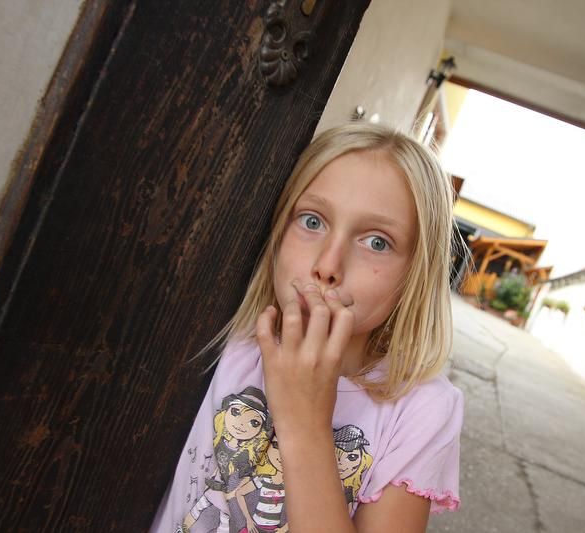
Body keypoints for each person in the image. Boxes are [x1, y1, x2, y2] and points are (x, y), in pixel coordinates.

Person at [151, 123, 464, 533]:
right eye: (312, 221)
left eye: (377, 242)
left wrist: (305, 423)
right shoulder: (229, 334)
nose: (327, 266)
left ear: (415, 275)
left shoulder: (422, 409)